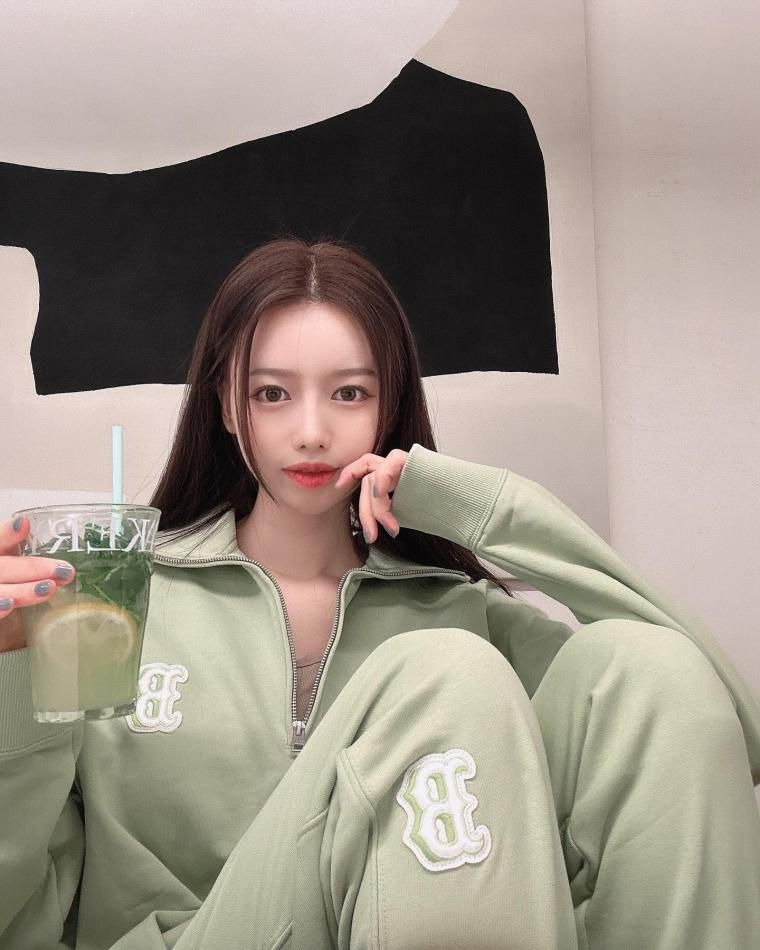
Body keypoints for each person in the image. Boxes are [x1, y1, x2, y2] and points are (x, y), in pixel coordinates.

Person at [0, 237, 758, 950]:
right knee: (444, 671)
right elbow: (19, 916)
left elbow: (712, 727)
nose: (311, 431)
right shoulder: (114, 609)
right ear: (228, 406)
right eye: (271, 393)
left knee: (648, 670)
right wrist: (7, 676)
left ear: (387, 409)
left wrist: (476, 508)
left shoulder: (457, 614)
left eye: (349, 393)